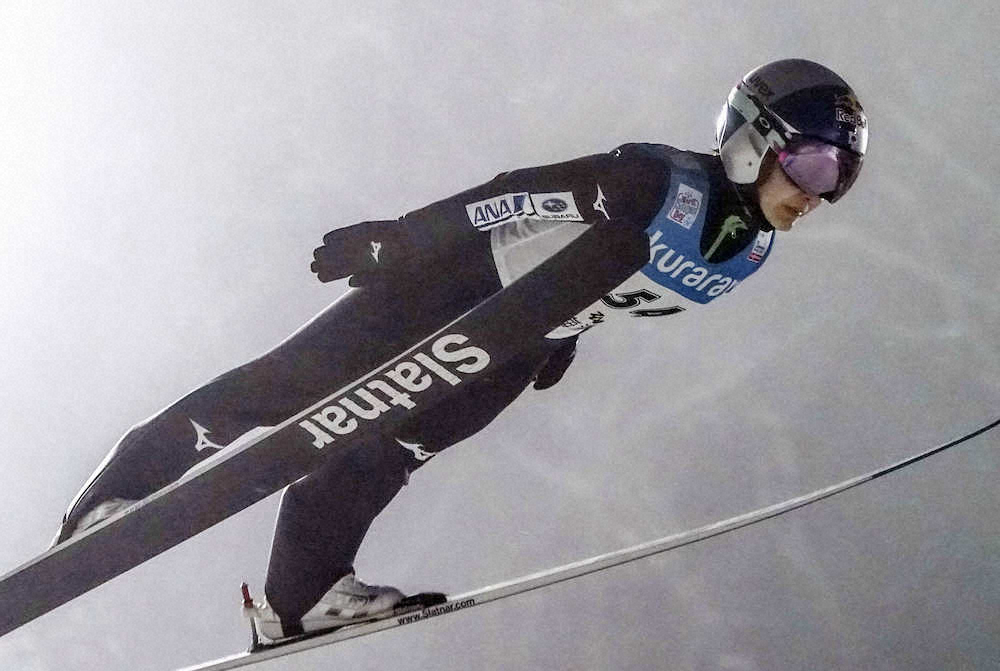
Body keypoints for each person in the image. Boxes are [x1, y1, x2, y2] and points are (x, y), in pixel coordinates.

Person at [53, 58, 868, 640]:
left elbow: (611, 279)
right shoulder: (658, 182)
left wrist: (562, 337)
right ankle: (114, 497)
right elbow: (518, 195)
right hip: (454, 284)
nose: (818, 193)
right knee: (287, 386)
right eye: (813, 163)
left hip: (515, 342)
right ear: (754, 140)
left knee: (389, 454)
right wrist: (402, 240)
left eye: (840, 178)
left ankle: (300, 596)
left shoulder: (747, 254)